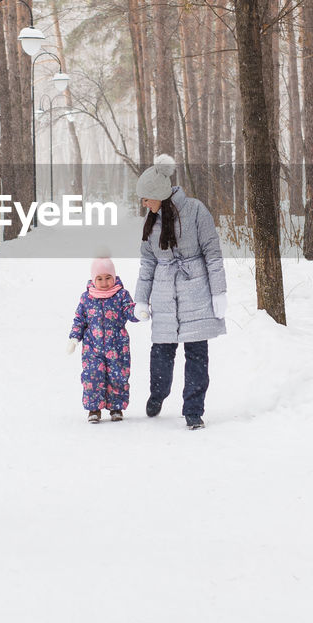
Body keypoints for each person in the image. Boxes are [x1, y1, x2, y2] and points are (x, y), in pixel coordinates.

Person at [133, 155, 226, 430]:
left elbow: (212, 252)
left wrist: (219, 292)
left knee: (197, 354)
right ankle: (158, 393)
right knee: (161, 353)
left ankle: (193, 410)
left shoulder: (196, 211)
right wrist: (141, 298)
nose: (143, 203)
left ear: (159, 194)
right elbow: (148, 261)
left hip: (195, 291)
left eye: (146, 198)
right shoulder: (151, 221)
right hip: (163, 294)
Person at [65, 256, 139, 423]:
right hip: (92, 347)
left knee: (118, 376)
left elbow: (130, 311)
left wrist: (139, 312)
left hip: (118, 346)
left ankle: (116, 407)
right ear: (93, 279)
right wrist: (74, 338)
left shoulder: (121, 295)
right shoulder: (86, 298)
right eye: (99, 278)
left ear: (114, 277)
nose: (104, 282)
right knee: (92, 376)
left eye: (108, 278)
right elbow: (80, 320)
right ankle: (94, 409)